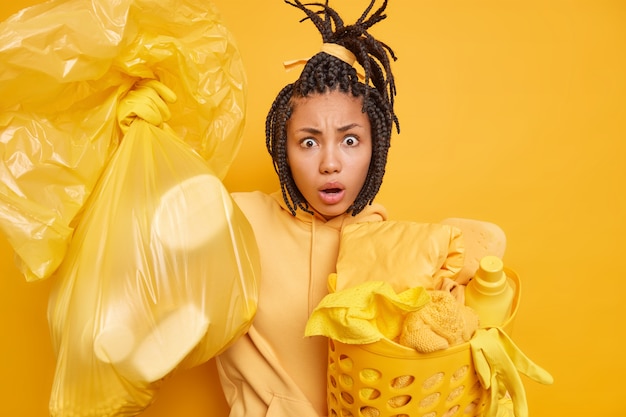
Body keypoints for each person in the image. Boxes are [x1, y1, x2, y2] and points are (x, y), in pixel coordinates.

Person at [215, 1, 399, 416]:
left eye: (350, 140)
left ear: (376, 148)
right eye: (309, 141)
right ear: (284, 148)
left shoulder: (392, 246)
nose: (330, 163)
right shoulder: (235, 221)